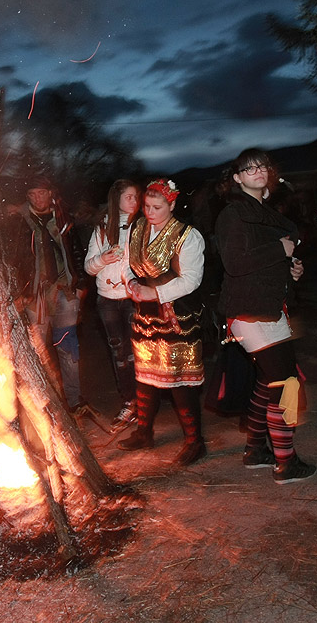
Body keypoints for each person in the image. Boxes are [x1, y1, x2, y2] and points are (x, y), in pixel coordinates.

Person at [214, 149, 317, 484]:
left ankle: (256, 449)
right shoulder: (234, 214)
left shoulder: (264, 213)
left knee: (266, 380)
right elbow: (235, 263)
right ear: (237, 178)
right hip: (248, 311)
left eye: (262, 166)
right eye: (248, 168)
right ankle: (286, 463)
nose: (257, 171)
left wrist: (291, 270)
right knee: (286, 382)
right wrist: (280, 251)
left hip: (271, 308)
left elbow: (268, 261)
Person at [118, 178, 207, 466]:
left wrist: (155, 292)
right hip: (145, 315)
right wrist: (130, 282)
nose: (150, 212)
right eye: (146, 206)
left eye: (157, 207)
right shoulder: (137, 228)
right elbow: (126, 262)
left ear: (172, 204)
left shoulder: (187, 235)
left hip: (175, 315)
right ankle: (144, 431)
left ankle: (195, 441)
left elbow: (192, 279)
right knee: (145, 374)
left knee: (178, 378)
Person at [7, 175, 85, 411]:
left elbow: (76, 251)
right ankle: (44, 405)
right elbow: (17, 259)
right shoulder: (20, 222)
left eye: (41, 192)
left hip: (64, 291)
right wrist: (20, 291)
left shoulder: (63, 219)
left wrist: (80, 284)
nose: (37, 198)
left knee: (68, 346)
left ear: (51, 193)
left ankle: (75, 401)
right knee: (37, 350)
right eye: (32, 194)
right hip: (35, 294)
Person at [84, 179, 142, 428]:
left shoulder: (142, 225)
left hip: (132, 299)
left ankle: (145, 402)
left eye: (135, 196)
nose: (134, 201)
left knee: (139, 352)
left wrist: (133, 283)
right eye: (128, 196)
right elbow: (89, 267)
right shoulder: (103, 227)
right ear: (116, 198)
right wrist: (102, 259)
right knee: (120, 355)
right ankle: (129, 402)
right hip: (107, 301)